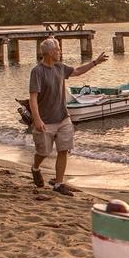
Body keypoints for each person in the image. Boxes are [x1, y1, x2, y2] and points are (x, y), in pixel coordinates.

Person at [29, 38, 108, 195]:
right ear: (51, 53)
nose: (60, 52)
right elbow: (33, 98)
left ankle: (58, 183)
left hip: (63, 118)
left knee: (63, 150)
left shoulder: (60, 67)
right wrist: (37, 119)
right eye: (58, 49)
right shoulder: (37, 71)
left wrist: (95, 62)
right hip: (45, 120)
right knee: (43, 152)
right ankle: (35, 168)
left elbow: (77, 71)